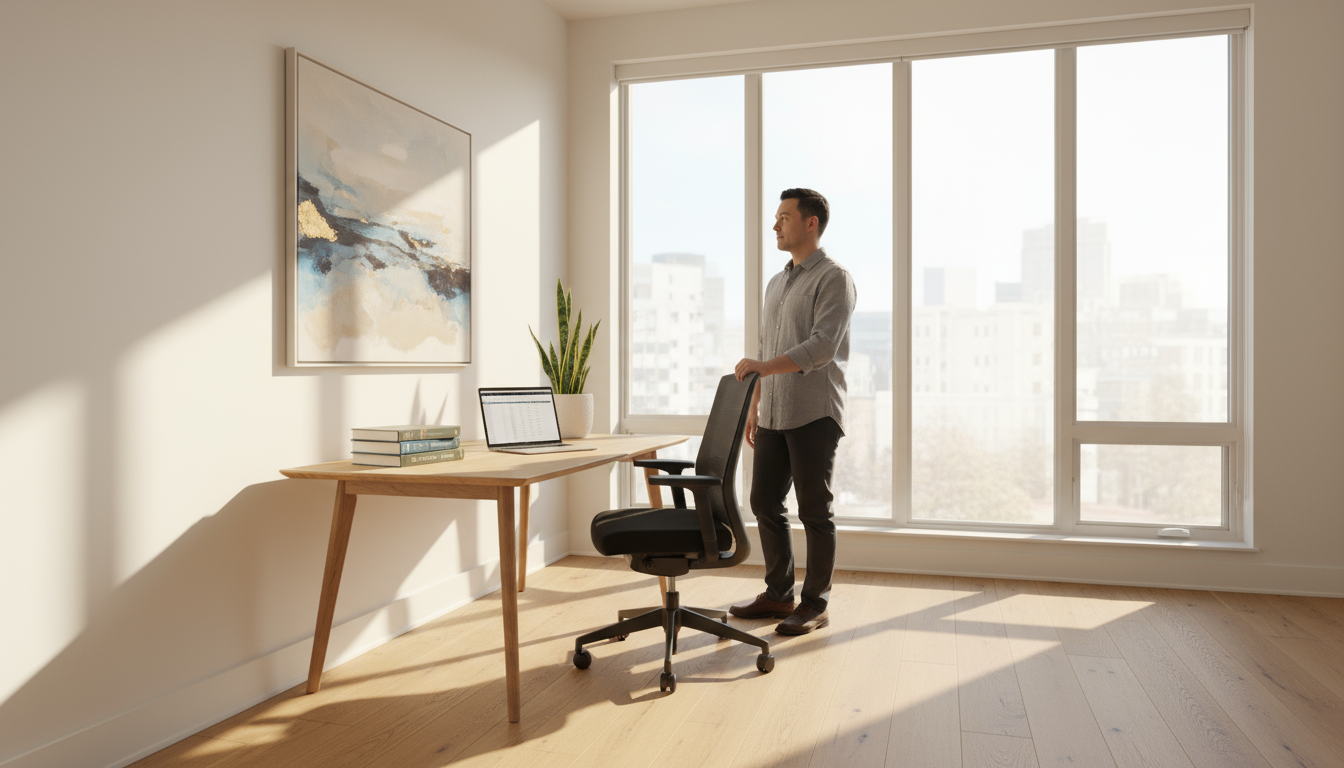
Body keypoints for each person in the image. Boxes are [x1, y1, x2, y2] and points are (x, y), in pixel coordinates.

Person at [730, 188, 856, 635]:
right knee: (764, 500)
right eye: (776, 217)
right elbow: (768, 346)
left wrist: (763, 367)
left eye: (784, 217)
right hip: (773, 412)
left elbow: (822, 346)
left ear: (811, 224)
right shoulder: (776, 283)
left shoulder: (835, 278)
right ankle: (779, 596)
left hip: (814, 412)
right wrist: (757, 402)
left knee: (814, 510)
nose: (775, 225)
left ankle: (815, 603)